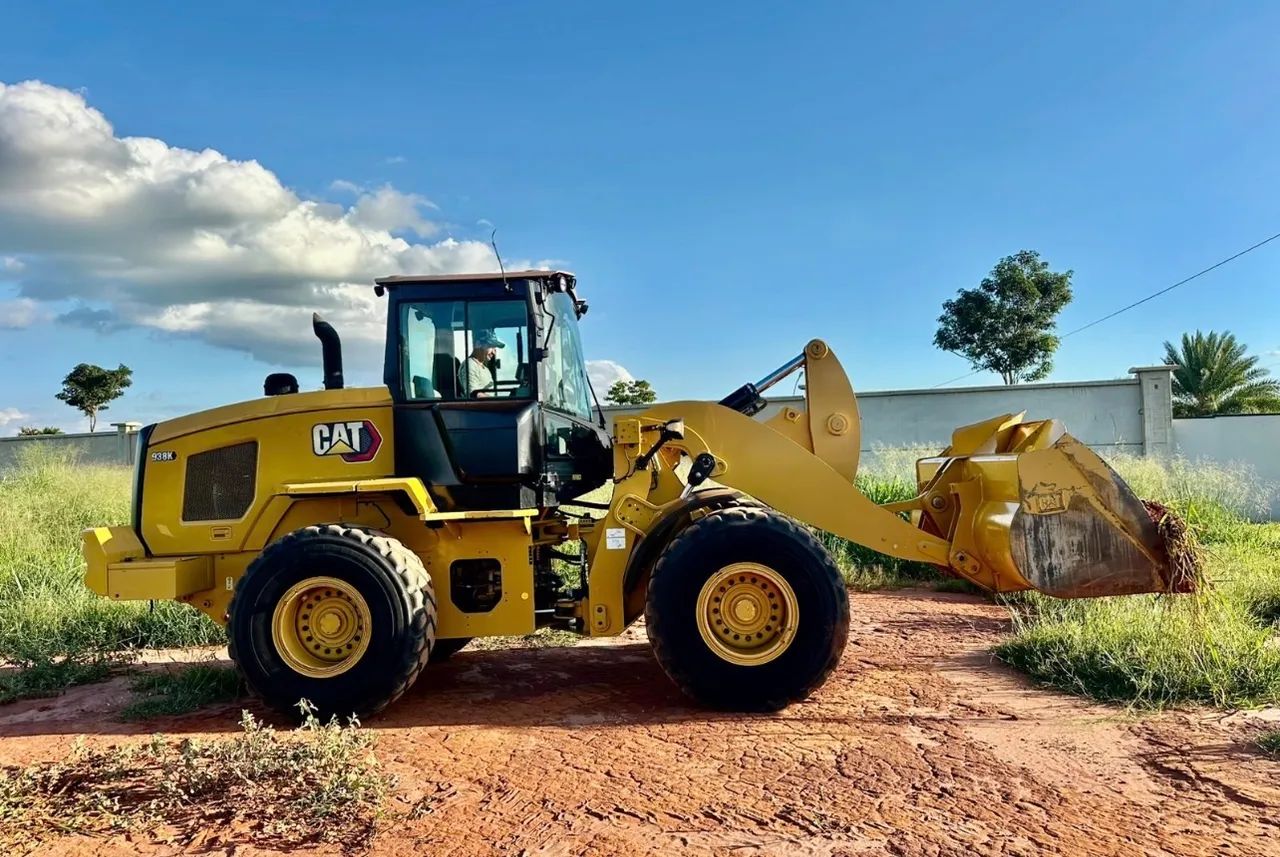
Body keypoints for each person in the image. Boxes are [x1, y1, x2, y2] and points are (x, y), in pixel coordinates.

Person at [459, 329, 505, 397]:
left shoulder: (485, 369)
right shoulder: (470, 365)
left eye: (495, 348)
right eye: (491, 347)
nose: (494, 352)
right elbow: (473, 394)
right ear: (478, 344)